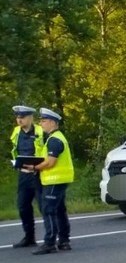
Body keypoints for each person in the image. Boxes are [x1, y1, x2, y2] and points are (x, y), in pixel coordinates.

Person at [25, 107, 74, 253]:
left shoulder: (55, 140)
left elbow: (50, 162)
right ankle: (64, 241)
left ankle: (50, 242)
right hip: (58, 179)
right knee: (59, 210)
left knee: (49, 210)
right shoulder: (55, 138)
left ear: (52, 122)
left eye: (44, 121)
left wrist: (34, 168)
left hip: (54, 179)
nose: (41, 124)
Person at [9, 104, 44, 248]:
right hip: (23, 174)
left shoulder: (41, 131)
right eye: (18, 117)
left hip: (38, 173)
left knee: (44, 207)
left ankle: (55, 238)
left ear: (30, 118)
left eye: (22, 117)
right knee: (23, 206)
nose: (19, 120)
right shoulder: (17, 132)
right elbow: (15, 150)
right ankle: (29, 237)